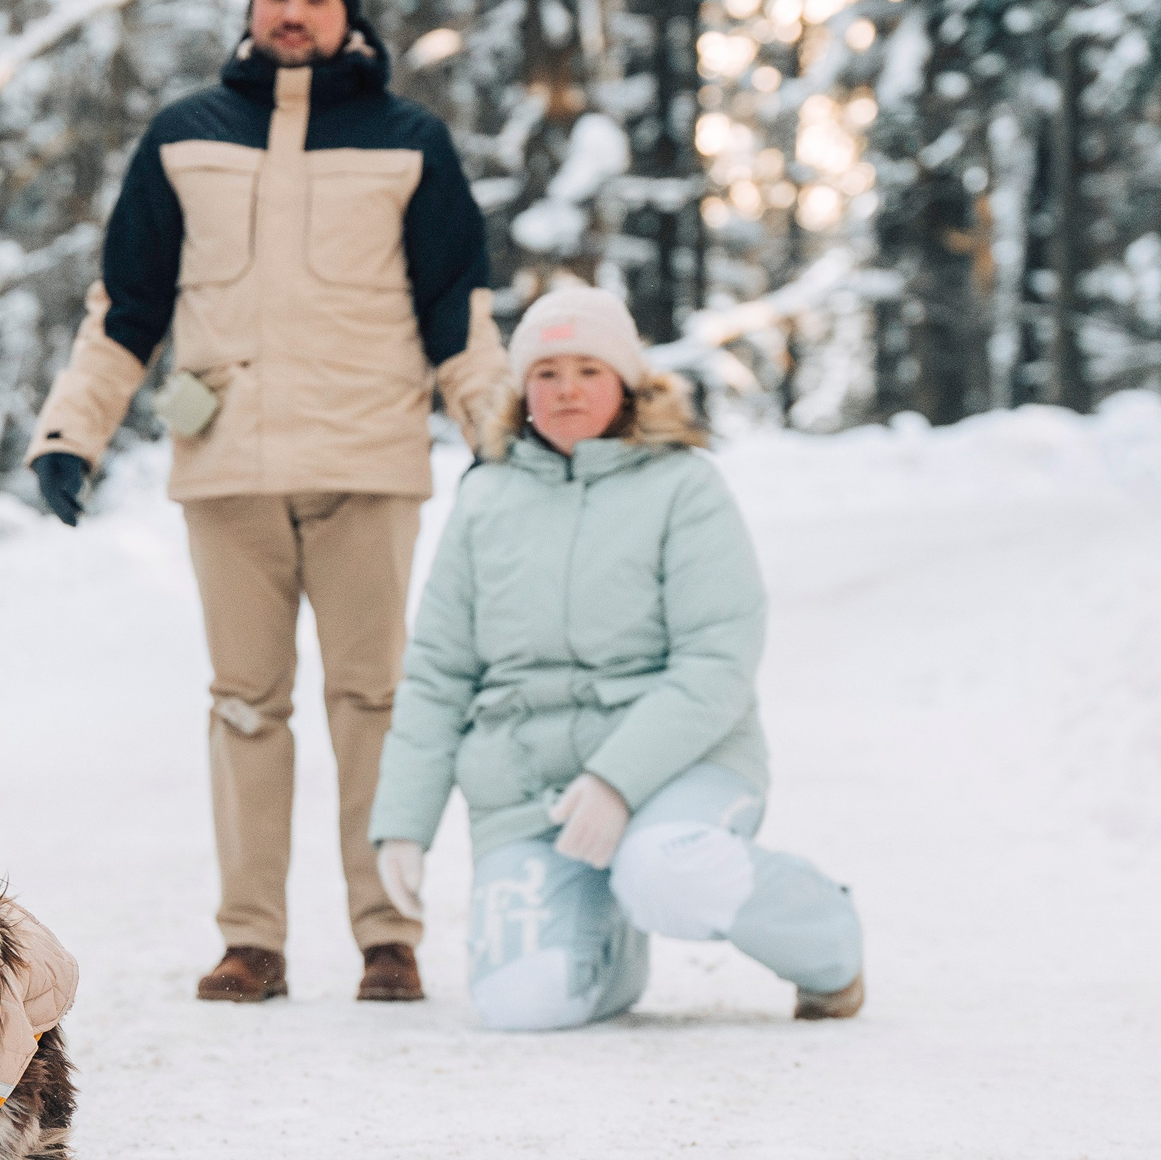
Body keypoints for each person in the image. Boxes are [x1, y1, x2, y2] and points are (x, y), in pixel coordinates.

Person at [24, 0, 514, 1005]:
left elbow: (456, 310)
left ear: (349, 19)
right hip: (227, 469)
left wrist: (494, 424)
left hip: (366, 464)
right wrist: (72, 431)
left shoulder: (408, 141)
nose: (294, 14)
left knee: (372, 703)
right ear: (253, 7)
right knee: (244, 703)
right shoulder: (184, 133)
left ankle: (388, 935)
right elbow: (125, 310)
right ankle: (252, 940)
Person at [366, 285, 866, 1029]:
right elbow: (441, 672)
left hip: (679, 770)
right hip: (529, 790)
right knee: (518, 1006)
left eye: (588, 370)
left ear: (628, 381)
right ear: (521, 387)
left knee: (669, 869)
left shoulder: (684, 487)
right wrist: (404, 823)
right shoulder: (486, 497)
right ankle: (607, 931)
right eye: (546, 372)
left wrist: (617, 782)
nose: (566, 389)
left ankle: (829, 945)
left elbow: (716, 663)